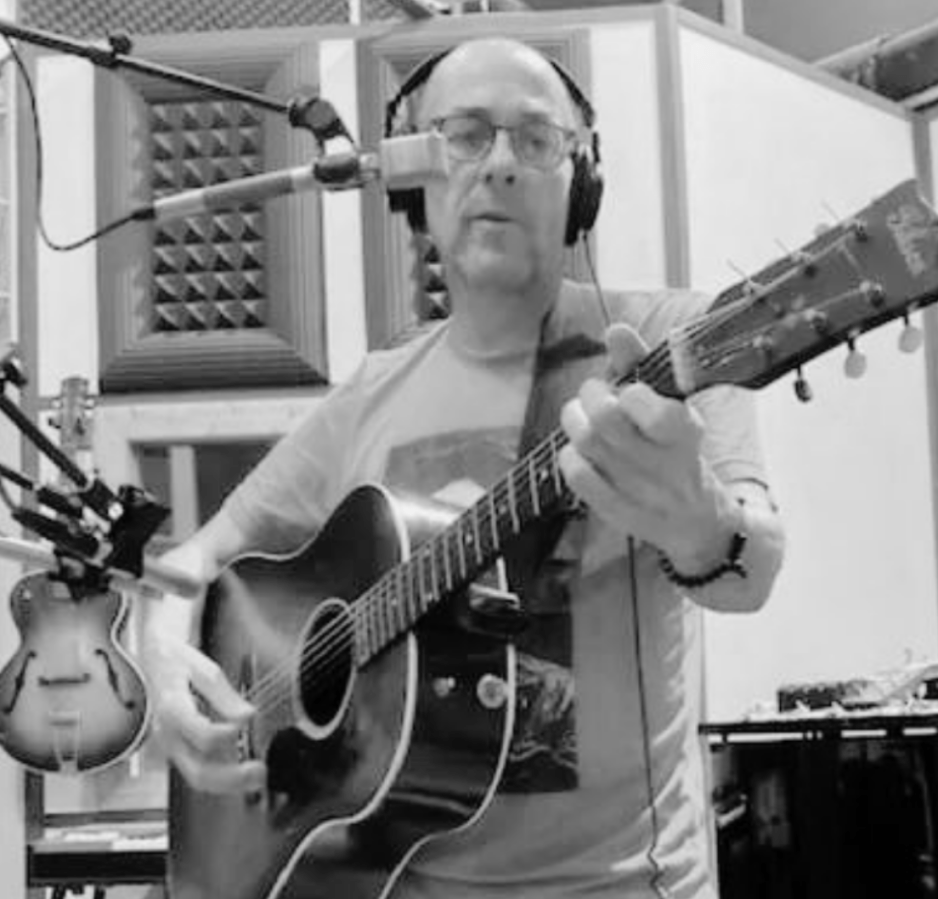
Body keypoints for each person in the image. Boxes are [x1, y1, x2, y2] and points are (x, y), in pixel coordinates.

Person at [142, 36, 785, 899]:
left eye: (536, 138)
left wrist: (696, 522)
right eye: (465, 135)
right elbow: (185, 570)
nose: (501, 164)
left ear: (580, 181)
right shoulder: (368, 395)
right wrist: (160, 659)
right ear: (414, 182)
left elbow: (750, 574)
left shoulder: (667, 343)